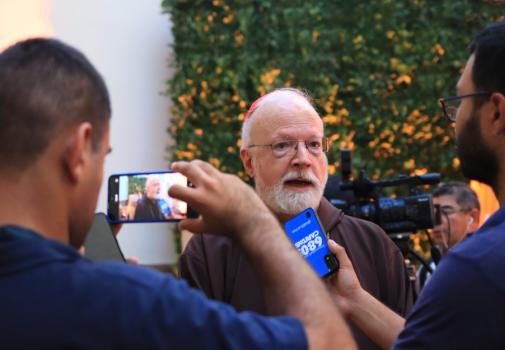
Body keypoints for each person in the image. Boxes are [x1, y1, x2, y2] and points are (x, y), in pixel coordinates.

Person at [0, 38, 356, 349]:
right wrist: (255, 223)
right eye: (103, 157)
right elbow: (330, 343)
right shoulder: (130, 303)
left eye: (314, 145)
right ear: (79, 151)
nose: (302, 159)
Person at [327, 11, 505, 349]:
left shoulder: (483, 271)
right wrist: (353, 299)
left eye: (460, 102)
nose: (454, 120)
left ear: (497, 113)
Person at [180, 88, 414, 350]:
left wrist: (356, 302)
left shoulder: (373, 242)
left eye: (314, 145)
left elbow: (418, 343)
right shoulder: (209, 251)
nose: (303, 160)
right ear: (248, 162)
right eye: (282, 146)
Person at [416, 181, 480, 289]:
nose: (436, 220)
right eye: (433, 213)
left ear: (473, 218)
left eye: (446, 211)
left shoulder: (486, 262)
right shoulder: (425, 270)